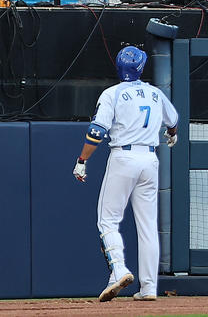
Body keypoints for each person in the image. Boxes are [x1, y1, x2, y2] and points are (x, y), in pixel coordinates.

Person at [72, 46, 179, 303]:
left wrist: (82, 159)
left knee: (108, 220)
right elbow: (173, 121)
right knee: (147, 226)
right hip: (150, 158)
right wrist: (171, 135)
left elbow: (96, 132)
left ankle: (119, 269)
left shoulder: (113, 93)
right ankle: (149, 287)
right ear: (140, 68)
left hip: (124, 156)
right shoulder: (155, 92)